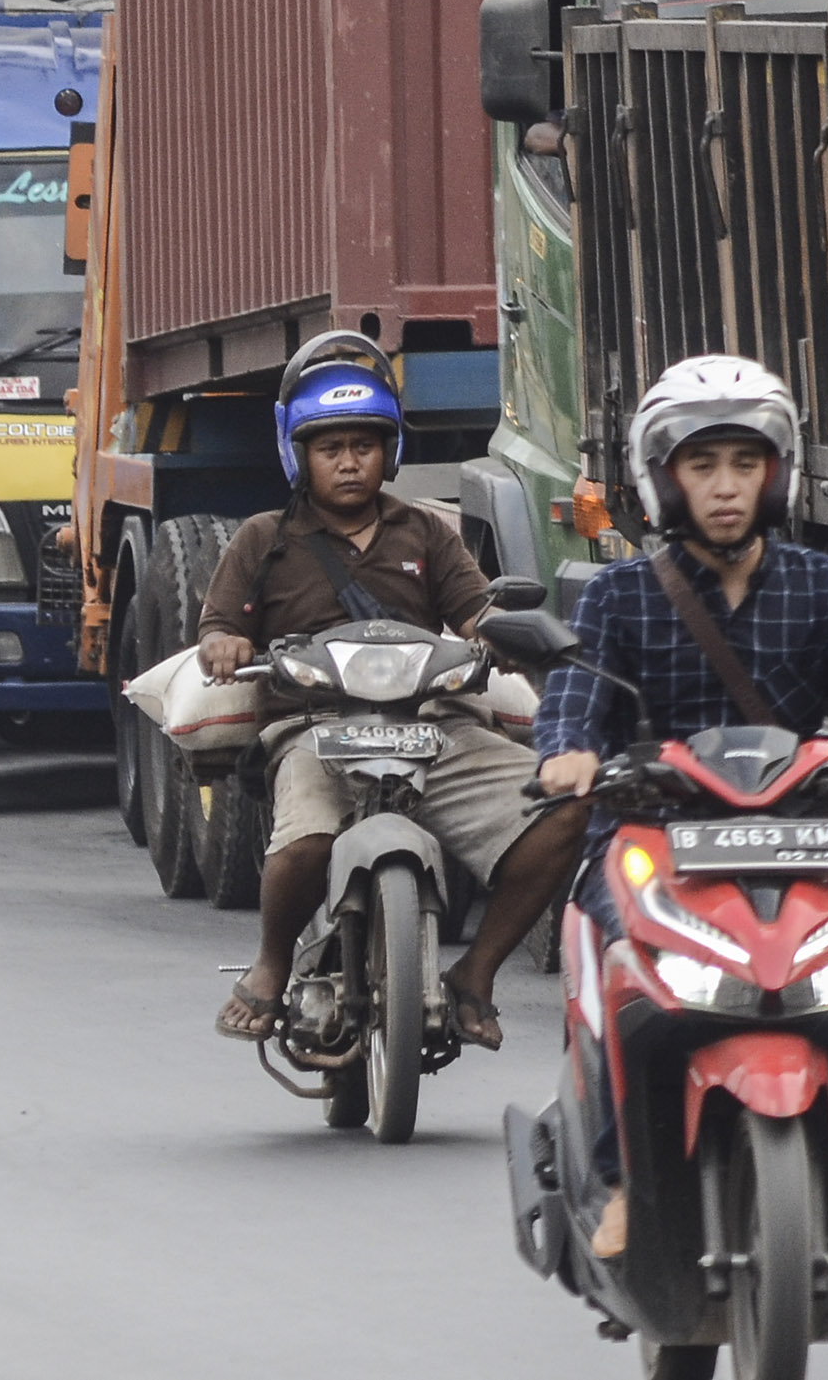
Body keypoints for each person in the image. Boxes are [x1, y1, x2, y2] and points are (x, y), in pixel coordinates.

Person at [533, 354, 828, 1260]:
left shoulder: (822, 584)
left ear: (777, 473)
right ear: (664, 479)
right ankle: (620, 1181)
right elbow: (575, 695)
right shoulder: (618, 594)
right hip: (652, 836)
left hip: (801, 835)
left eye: (744, 463)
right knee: (616, 973)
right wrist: (567, 752)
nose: (725, 486)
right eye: (702, 465)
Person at [198, 337, 584, 1048]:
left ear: (391, 451)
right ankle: (271, 963)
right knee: (306, 841)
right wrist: (225, 644)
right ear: (298, 455)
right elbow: (219, 625)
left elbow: (475, 612)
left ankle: (476, 972)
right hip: (313, 727)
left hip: (431, 725)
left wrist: (504, 634)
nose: (349, 461)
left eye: (365, 446)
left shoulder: (426, 532)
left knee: (563, 809)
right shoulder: (262, 538)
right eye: (330, 448)